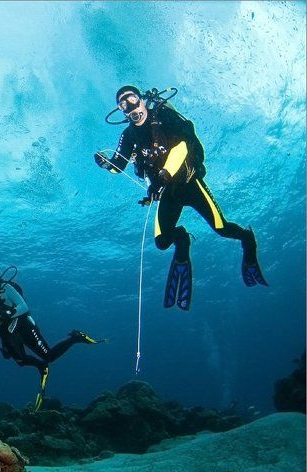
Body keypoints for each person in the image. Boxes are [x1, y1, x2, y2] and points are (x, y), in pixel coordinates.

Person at [94, 85, 267, 311]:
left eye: (133, 99)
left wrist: (164, 175)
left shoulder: (164, 115)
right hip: (168, 193)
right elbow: (119, 166)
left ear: (142, 100)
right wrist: (106, 164)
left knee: (222, 228)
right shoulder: (128, 135)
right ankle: (182, 240)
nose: (130, 107)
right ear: (121, 111)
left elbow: (183, 145)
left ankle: (247, 240)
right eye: (123, 105)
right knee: (162, 241)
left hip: (189, 183)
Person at [0, 257, 102, 410]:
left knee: (49, 355)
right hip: (6, 334)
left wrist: (8, 313)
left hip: (23, 326)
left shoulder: (5, 287)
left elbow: (23, 307)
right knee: (20, 361)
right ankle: (42, 366)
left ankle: (76, 337)